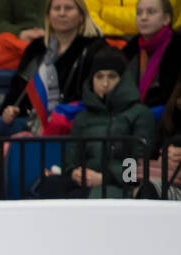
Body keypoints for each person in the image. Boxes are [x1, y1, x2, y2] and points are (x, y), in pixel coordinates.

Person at [43, 47, 156, 194]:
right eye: (99, 76)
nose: (105, 83)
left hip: (123, 186)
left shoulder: (140, 114)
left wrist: (105, 178)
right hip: (85, 183)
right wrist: (74, 173)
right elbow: (71, 160)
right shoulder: (82, 118)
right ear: (92, 80)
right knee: (50, 185)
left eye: (112, 76)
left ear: (123, 80)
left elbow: (139, 164)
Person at [0, 0, 105, 134]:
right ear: (48, 16)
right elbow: (19, 92)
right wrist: (12, 110)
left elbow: (93, 98)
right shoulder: (36, 48)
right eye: (56, 8)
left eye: (68, 8)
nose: (62, 13)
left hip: (75, 127)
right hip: (32, 125)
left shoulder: (94, 49)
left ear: (81, 15)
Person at [120, 0, 181, 108]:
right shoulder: (130, 49)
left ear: (166, 19)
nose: (143, 17)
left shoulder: (177, 47)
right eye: (139, 12)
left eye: (151, 12)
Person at [0, 0, 48, 69]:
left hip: (54, 39)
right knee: (0, 41)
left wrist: (49, 33)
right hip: (19, 44)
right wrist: (20, 34)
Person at [87, 0, 181, 35]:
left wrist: (106, 13)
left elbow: (157, 18)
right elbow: (89, 18)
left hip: (162, 39)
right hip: (106, 40)